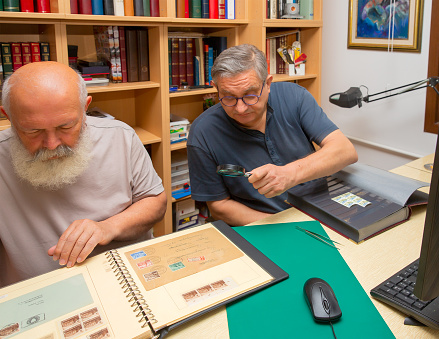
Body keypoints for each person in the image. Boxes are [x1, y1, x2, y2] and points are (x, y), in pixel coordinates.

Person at [0, 62, 167, 287]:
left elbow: (155, 201)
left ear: (85, 108)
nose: (51, 144)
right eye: (33, 131)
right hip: (35, 295)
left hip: (125, 281)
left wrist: (108, 227)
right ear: (7, 116)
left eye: (66, 126)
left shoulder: (121, 137)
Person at [187, 44, 358, 226]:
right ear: (216, 89)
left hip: (322, 214)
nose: (240, 108)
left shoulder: (295, 97)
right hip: (262, 226)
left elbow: (345, 150)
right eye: (228, 97)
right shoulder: (202, 133)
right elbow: (219, 206)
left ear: (267, 84)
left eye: (250, 95)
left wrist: (288, 174)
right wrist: (285, 228)